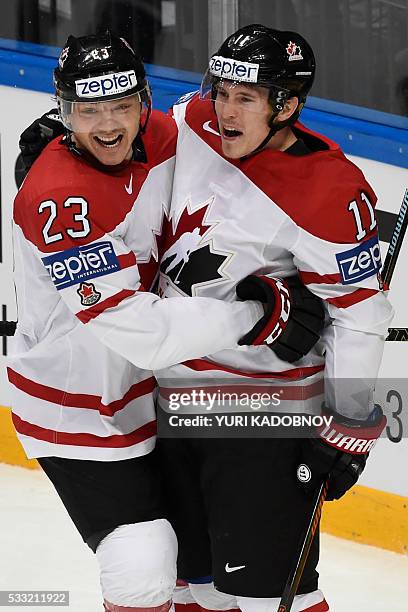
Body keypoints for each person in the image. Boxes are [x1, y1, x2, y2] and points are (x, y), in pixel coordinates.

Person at [9, 30, 324, 612]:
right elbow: (142, 331)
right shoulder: (61, 199)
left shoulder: (164, 135)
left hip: (156, 395)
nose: (107, 126)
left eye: (120, 106)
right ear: (61, 111)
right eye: (87, 111)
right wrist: (257, 313)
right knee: (141, 557)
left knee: (201, 579)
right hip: (77, 404)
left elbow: (245, 115)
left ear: (146, 101)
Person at [151, 24, 394, 612]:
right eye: (222, 91)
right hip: (170, 399)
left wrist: (349, 429)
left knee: (263, 597)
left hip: (261, 416)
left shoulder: (331, 191)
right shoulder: (192, 122)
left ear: (285, 105)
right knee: (194, 588)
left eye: (246, 98)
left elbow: (358, 316)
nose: (225, 111)